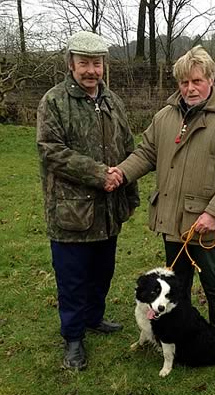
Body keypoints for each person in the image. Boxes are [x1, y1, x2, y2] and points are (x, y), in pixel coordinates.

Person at [108, 45, 215, 365]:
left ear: (211, 80)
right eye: (184, 82)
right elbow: (146, 154)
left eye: (197, 81)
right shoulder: (164, 117)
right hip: (172, 222)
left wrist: (214, 214)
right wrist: (121, 173)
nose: (190, 88)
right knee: (176, 285)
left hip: (206, 227)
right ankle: (176, 333)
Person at [36, 31, 139, 370]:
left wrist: (129, 188)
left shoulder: (112, 101)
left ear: (104, 65)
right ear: (71, 64)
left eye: (97, 63)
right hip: (72, 213)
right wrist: (99, 174)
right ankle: (74, 338)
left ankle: (95, 318)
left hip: (108, 212)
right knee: (73, 279)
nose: (91, 70)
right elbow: (51, 151)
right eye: (84, 63)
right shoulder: (54, 101)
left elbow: (128, 146)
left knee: (102, 272)